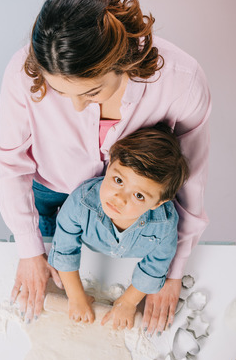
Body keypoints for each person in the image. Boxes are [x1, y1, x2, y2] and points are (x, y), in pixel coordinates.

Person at [0, 0, 211, 335]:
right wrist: (30, 250)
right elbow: (11, 161)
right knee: (54, 267)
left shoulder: (181, 83)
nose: (76, 106)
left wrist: (173, 269)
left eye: (91, 91)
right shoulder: (22, 70)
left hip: (135, 204)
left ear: (121, 61)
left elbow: (190, 179)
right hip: (50, 189)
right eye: (60, 93)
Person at [48, 124, 189, 331]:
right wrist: (76, 297)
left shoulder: (164, 224)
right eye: (118, 180)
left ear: (159, 203)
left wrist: (128, 303)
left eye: (139, 195)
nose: (119, 198)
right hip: (92, 248)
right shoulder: (81, 201)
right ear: (110, 163)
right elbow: (64, 248)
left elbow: (155, 267)